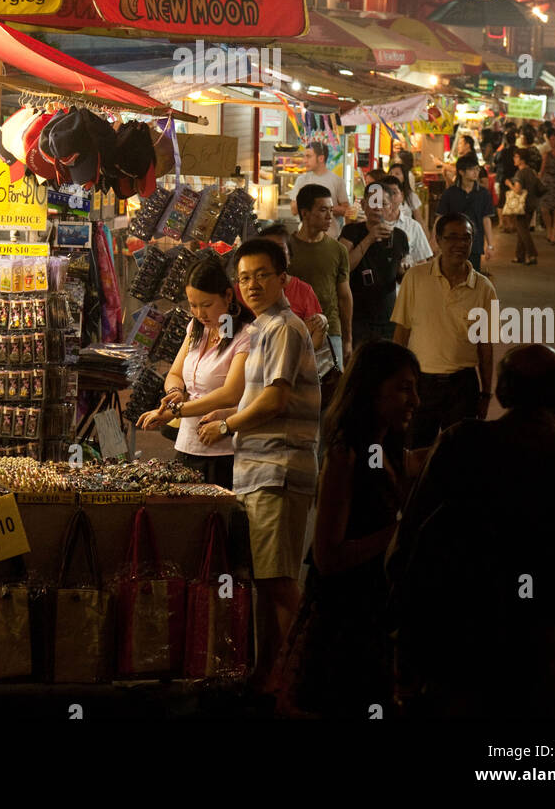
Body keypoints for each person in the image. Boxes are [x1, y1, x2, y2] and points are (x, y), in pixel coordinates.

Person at [388, 345, 555, 719]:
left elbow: (408, 551)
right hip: (547, 650)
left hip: (462, 640)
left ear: (503, 392)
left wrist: (407, 650)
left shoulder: (460, 443)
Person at [197, 236, 320, 693]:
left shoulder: (285, 327)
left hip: (278, 470)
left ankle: (308, 675)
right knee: (267, 584)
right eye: (244, 277)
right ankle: (270, 678)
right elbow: (255, 395)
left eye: (261, 275)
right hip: (258, 470)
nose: (251, 284)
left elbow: (275, 397)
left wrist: (228, 424)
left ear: (283, 278)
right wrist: (220, 413)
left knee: (281, 584)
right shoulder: (263, 328)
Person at [277, 340, 422, 718]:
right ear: (374, 388)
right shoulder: (346, 455)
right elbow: (328, 557)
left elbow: (416, 462)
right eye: (404, 388)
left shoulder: (384, 449)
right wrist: (397, 534)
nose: (415, 401)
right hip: (343, 626)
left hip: (373, 619)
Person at [136, 260, 252, 488]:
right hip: (187, 444)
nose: (200, 313)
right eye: (193, 305)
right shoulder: (196, 328)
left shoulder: (246, 336)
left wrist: (176, 411)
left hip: (224, 451)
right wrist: (175, 392)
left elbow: (230, 394)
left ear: (228, 296)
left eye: (206, 305)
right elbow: (175, 374)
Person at [391, 211, 497, 448]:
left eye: (466, 238)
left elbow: (485, 345)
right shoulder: (416, 278)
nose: (459, 244)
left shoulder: (483, 288)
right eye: (452, 237)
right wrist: (397, 384)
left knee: (459, 456)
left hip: (463, 386)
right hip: (421, 383)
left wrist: (486, 393)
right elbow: (401, 334)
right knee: (414, 449)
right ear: (437, 240)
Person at [289, 184, 352, 368]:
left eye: (331, 210)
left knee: (332, 390)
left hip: (330, 331)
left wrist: (347, 339)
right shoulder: (287, 249)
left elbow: (344, 296)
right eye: (323, 210)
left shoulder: (338, 249)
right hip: (294, 331)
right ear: (305, 213)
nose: (330, 216)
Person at [339, 183, 409, 340]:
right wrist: (370, 238)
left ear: (391, 207)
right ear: (364, 204)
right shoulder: (351, 232)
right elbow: (343, 268)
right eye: (372, 202)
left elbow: (399, 275)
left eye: (383, 203)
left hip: (388, 315)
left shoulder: (399, 236)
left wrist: (406, 272)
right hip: (357, 316)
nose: (377, 208)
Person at [433, 154, 495, 274]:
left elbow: (486, 219)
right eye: (472, 169)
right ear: (461, 172)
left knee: (472, 276)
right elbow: (440, 217)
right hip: (451, 242)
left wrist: (490, 245)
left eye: (477, 169)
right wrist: (434, 240)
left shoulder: (483, 194)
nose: (476, 172)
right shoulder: (450, 193)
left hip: (475, 244)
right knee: (451, 274)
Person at [290, 141, 351, 239]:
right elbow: (293, 209)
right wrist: (317, 208)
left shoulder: (337, 181)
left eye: (309, 156)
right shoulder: (301, 180)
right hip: (305, 238)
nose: (305, 160)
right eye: (304, 156)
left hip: (331, 238)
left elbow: (346, 210)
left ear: (321, 158)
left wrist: (321, 208)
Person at [376, 173, 432, 267]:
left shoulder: (413, 226)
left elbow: (422, 262)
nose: (390, 197)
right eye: (385, 193)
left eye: (394, 193)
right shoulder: (372, 224)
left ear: (402, 196)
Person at [506, 147, 542, 265]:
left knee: (523, 231)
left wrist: (509, 184)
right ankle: (519, 255)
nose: (514, 159)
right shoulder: (531, 171)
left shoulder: (520, 173)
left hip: (522, 206)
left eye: (516, 157)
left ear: (522, 160)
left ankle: (532, 255)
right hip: (531, 204)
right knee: (522, 231)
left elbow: (517, 190)